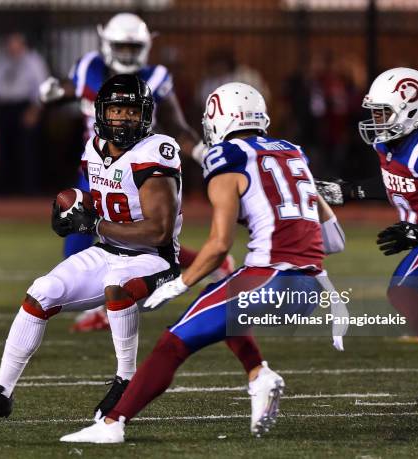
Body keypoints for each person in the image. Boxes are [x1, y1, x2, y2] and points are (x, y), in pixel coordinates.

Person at [59, 83, 346, 443]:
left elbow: (218, 247)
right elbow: (334, 241)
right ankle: (258, 374)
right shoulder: (292, 153)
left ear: (219, 119)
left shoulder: (226, 157)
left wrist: (178, 284)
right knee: (220, 302)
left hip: (271, 278)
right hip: (312, 287)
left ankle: (113, 423)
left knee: (173, 342)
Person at [0, 74, 184, 420]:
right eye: (117, 110)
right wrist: (72, 209)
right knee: (41, 291)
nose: (124, 119)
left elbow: (158, 231)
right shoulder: (93, 147)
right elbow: (101, 199)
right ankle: (1, 391)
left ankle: (127, 380)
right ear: (101, 113)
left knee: (117, 287)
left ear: (146, 115)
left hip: (154, 260)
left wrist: (94, 224)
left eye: (131, 112)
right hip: (109, 249)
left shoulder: (154, 151)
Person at [40, 13, 233, 332]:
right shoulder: (90, 68)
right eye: (122, 47)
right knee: (78, 237)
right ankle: (207, 264)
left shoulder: (155, 79)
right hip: (95, 168)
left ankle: (107, 306)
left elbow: (177, 126)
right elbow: (69, 87)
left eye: (134, 48)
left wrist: (201, 153)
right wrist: (53, 91)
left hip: (137, 172)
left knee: (140, 241)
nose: (128, 55)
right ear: (107, 45)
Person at [318, 67, 418, 410]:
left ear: (411, 108)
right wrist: (349, 191)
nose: (376, 119)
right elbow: (400, 185)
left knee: (404, 289)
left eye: (383, 112)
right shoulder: (389, 142)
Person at [0, 33, 49, 195]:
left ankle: (29, 190)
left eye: (15, 44)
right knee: (4, 151)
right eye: (10, 44)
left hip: (25, 108)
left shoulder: (33, 61)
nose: (12, 48)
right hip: (4, 109)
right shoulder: (2, 61)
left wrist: (35, 110)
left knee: (26, 151)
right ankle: (5, 190)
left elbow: (43, 87)